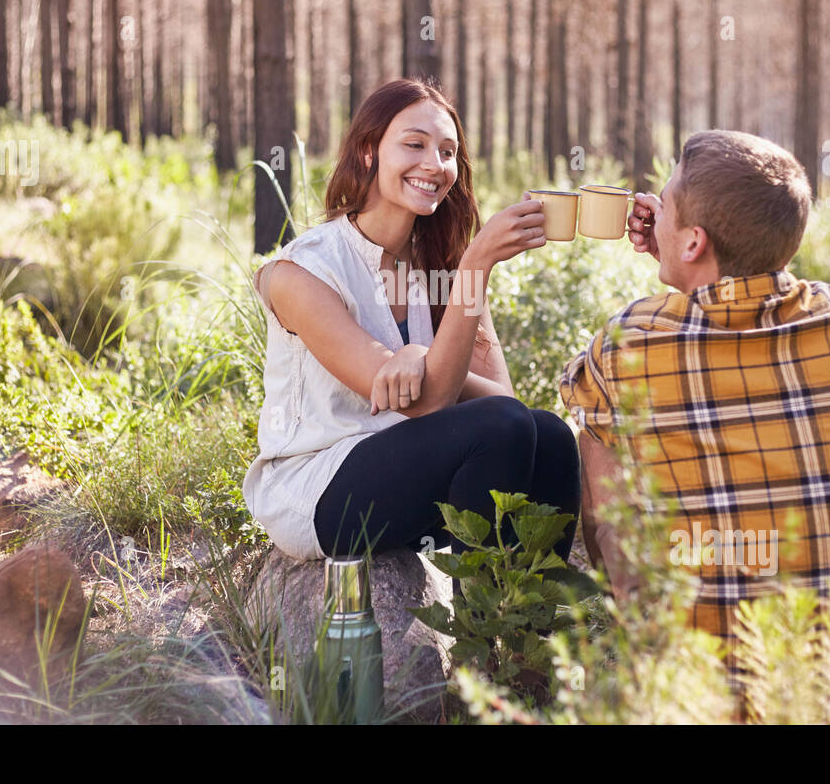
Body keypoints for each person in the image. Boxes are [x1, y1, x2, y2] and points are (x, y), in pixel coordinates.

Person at [559, 129, 830, 657]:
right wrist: (697, 248)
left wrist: (685, 267)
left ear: (695, 241)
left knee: (597, 424)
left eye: (667, 202)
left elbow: (585, 388)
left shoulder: (631, 337)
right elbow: (769, 304)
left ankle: (640, 621)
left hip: (708, 685)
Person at [244, 77, 581, 564]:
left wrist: (424, 355)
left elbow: (502, 399)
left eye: (447, 152)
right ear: (368, 151)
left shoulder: (444, 263)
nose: (435, 164)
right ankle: (479, 627)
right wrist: (476, 267)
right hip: (317, 487)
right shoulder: (302, 272)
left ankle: (533, 626)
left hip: (410, 473)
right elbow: (427, 402)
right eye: (414, 145)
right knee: (501, 426)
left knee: (548, 434)